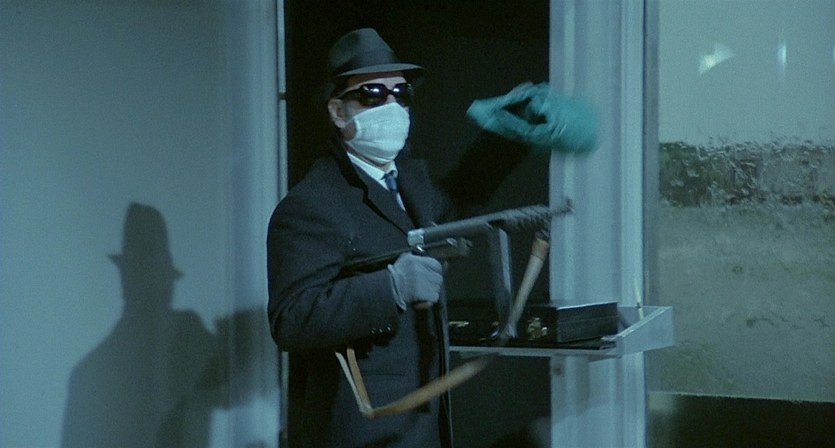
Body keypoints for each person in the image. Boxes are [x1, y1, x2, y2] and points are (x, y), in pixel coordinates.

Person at [266, 28, 596, 448]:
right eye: (372, 94)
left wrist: (509, 134)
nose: (391, 106)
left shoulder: (408, 179)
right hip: (362, 433)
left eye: (401, 93)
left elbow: (456, 201)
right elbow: (291, 320)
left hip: (421, 427)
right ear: (338, 111)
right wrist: (390, 287)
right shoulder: (312, 204)